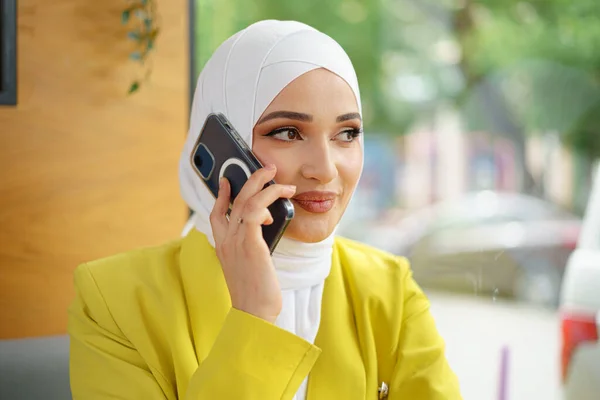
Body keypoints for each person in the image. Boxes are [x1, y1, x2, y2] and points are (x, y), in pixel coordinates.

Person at [68, 20, 462, 399]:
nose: (324, 169)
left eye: (347, 134)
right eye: (288, 132)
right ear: (227, 144)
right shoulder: (114, 301)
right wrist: (252, 315)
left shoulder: (389, 291)